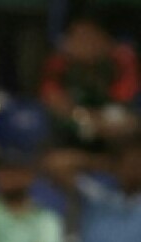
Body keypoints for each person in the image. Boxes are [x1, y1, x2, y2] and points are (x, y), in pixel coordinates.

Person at [41, 15, 140, 179]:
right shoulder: (58, 64)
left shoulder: (122, 62)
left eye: (89, 37)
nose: (83, 44)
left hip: (120, 148)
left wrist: (82, 118)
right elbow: (56, 104)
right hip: (72, 146)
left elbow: (124, 115)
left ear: (105, 40)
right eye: (76, 37)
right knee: (58, 162)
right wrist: (90, 121)